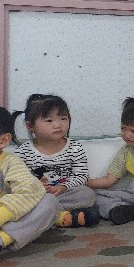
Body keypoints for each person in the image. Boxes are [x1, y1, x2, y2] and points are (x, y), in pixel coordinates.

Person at [0, 103, 61, 267]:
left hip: (8, 219)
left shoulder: (10, 163)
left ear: (3, 141)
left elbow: (30, 191)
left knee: (50, 203)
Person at [13, 94, 100, 229]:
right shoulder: (23, 152)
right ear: (30, 126)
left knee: (87, 194)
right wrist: (36, 185)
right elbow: (17, 180)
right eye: (49, 120)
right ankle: (63, 217)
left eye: (63, 118)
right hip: (38, 196)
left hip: (64, 193)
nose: (58, 125)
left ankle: (47, 216)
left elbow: (81, 176)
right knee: (16, 199)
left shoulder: (75, 147)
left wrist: (64, 186)